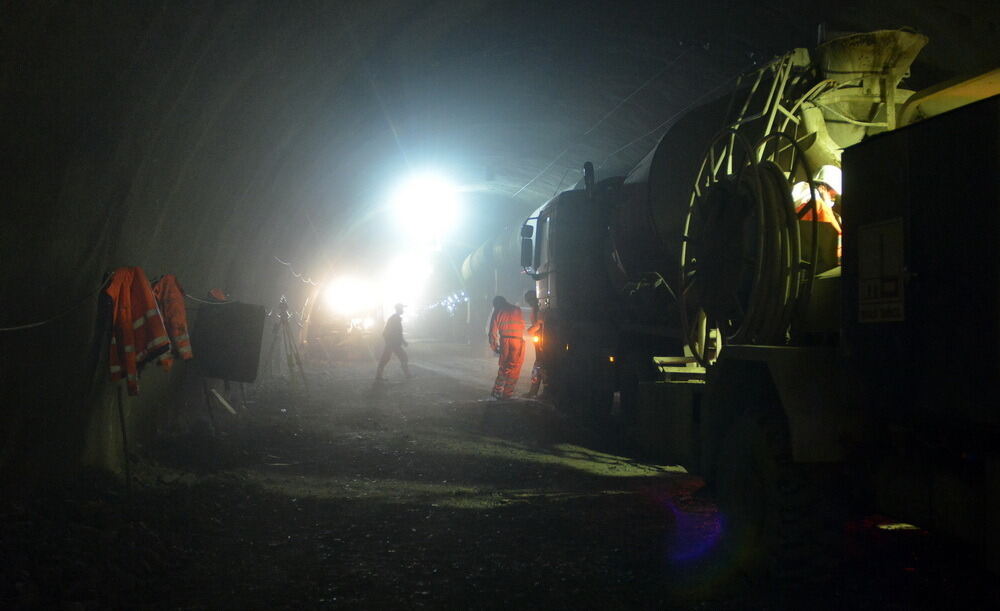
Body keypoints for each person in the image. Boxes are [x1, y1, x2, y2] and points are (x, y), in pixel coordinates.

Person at [487, 295, 526, 400]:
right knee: (515, 367)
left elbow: (492, 332)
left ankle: (497, 391)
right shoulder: (517, 309)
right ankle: (507, 393)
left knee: (504, 367)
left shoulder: (497, 311)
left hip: (505, 341)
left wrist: (494, 347)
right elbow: (522, 325)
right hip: (518, 341)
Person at [375, 303, 412, 381]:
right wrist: (401, 341)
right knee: (402, 357)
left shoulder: (395, 318)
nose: (403, 310)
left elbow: (395, 333)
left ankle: (379, 375)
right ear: (398, 309)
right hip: (393, 343)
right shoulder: (395, 319)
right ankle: (407, 374)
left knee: (387, 358)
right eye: (402, 308)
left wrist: (401, 341)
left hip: (392, 343)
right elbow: (396, 332)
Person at [523, 290, 545, 398]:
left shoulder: (539, 309)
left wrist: (529, 330)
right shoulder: (536, 308)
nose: (529, 303)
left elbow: (538, 324)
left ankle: (541, 391)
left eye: (529, 300)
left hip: (542, 340)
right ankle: (534, 391)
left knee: (541, 364)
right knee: (539, 364)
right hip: (540, 340)